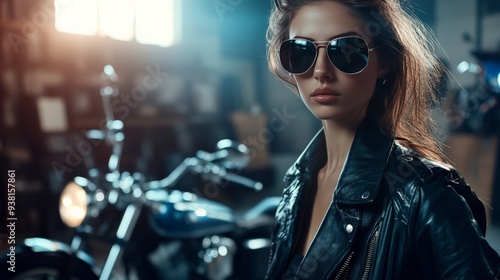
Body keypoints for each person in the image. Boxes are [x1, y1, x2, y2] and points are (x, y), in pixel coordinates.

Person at [264, 0, 500, 279]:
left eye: (347, 50)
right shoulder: (297, 182)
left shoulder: (424, 195)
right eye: (300, 51)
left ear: (384, 63)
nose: (321, 71)